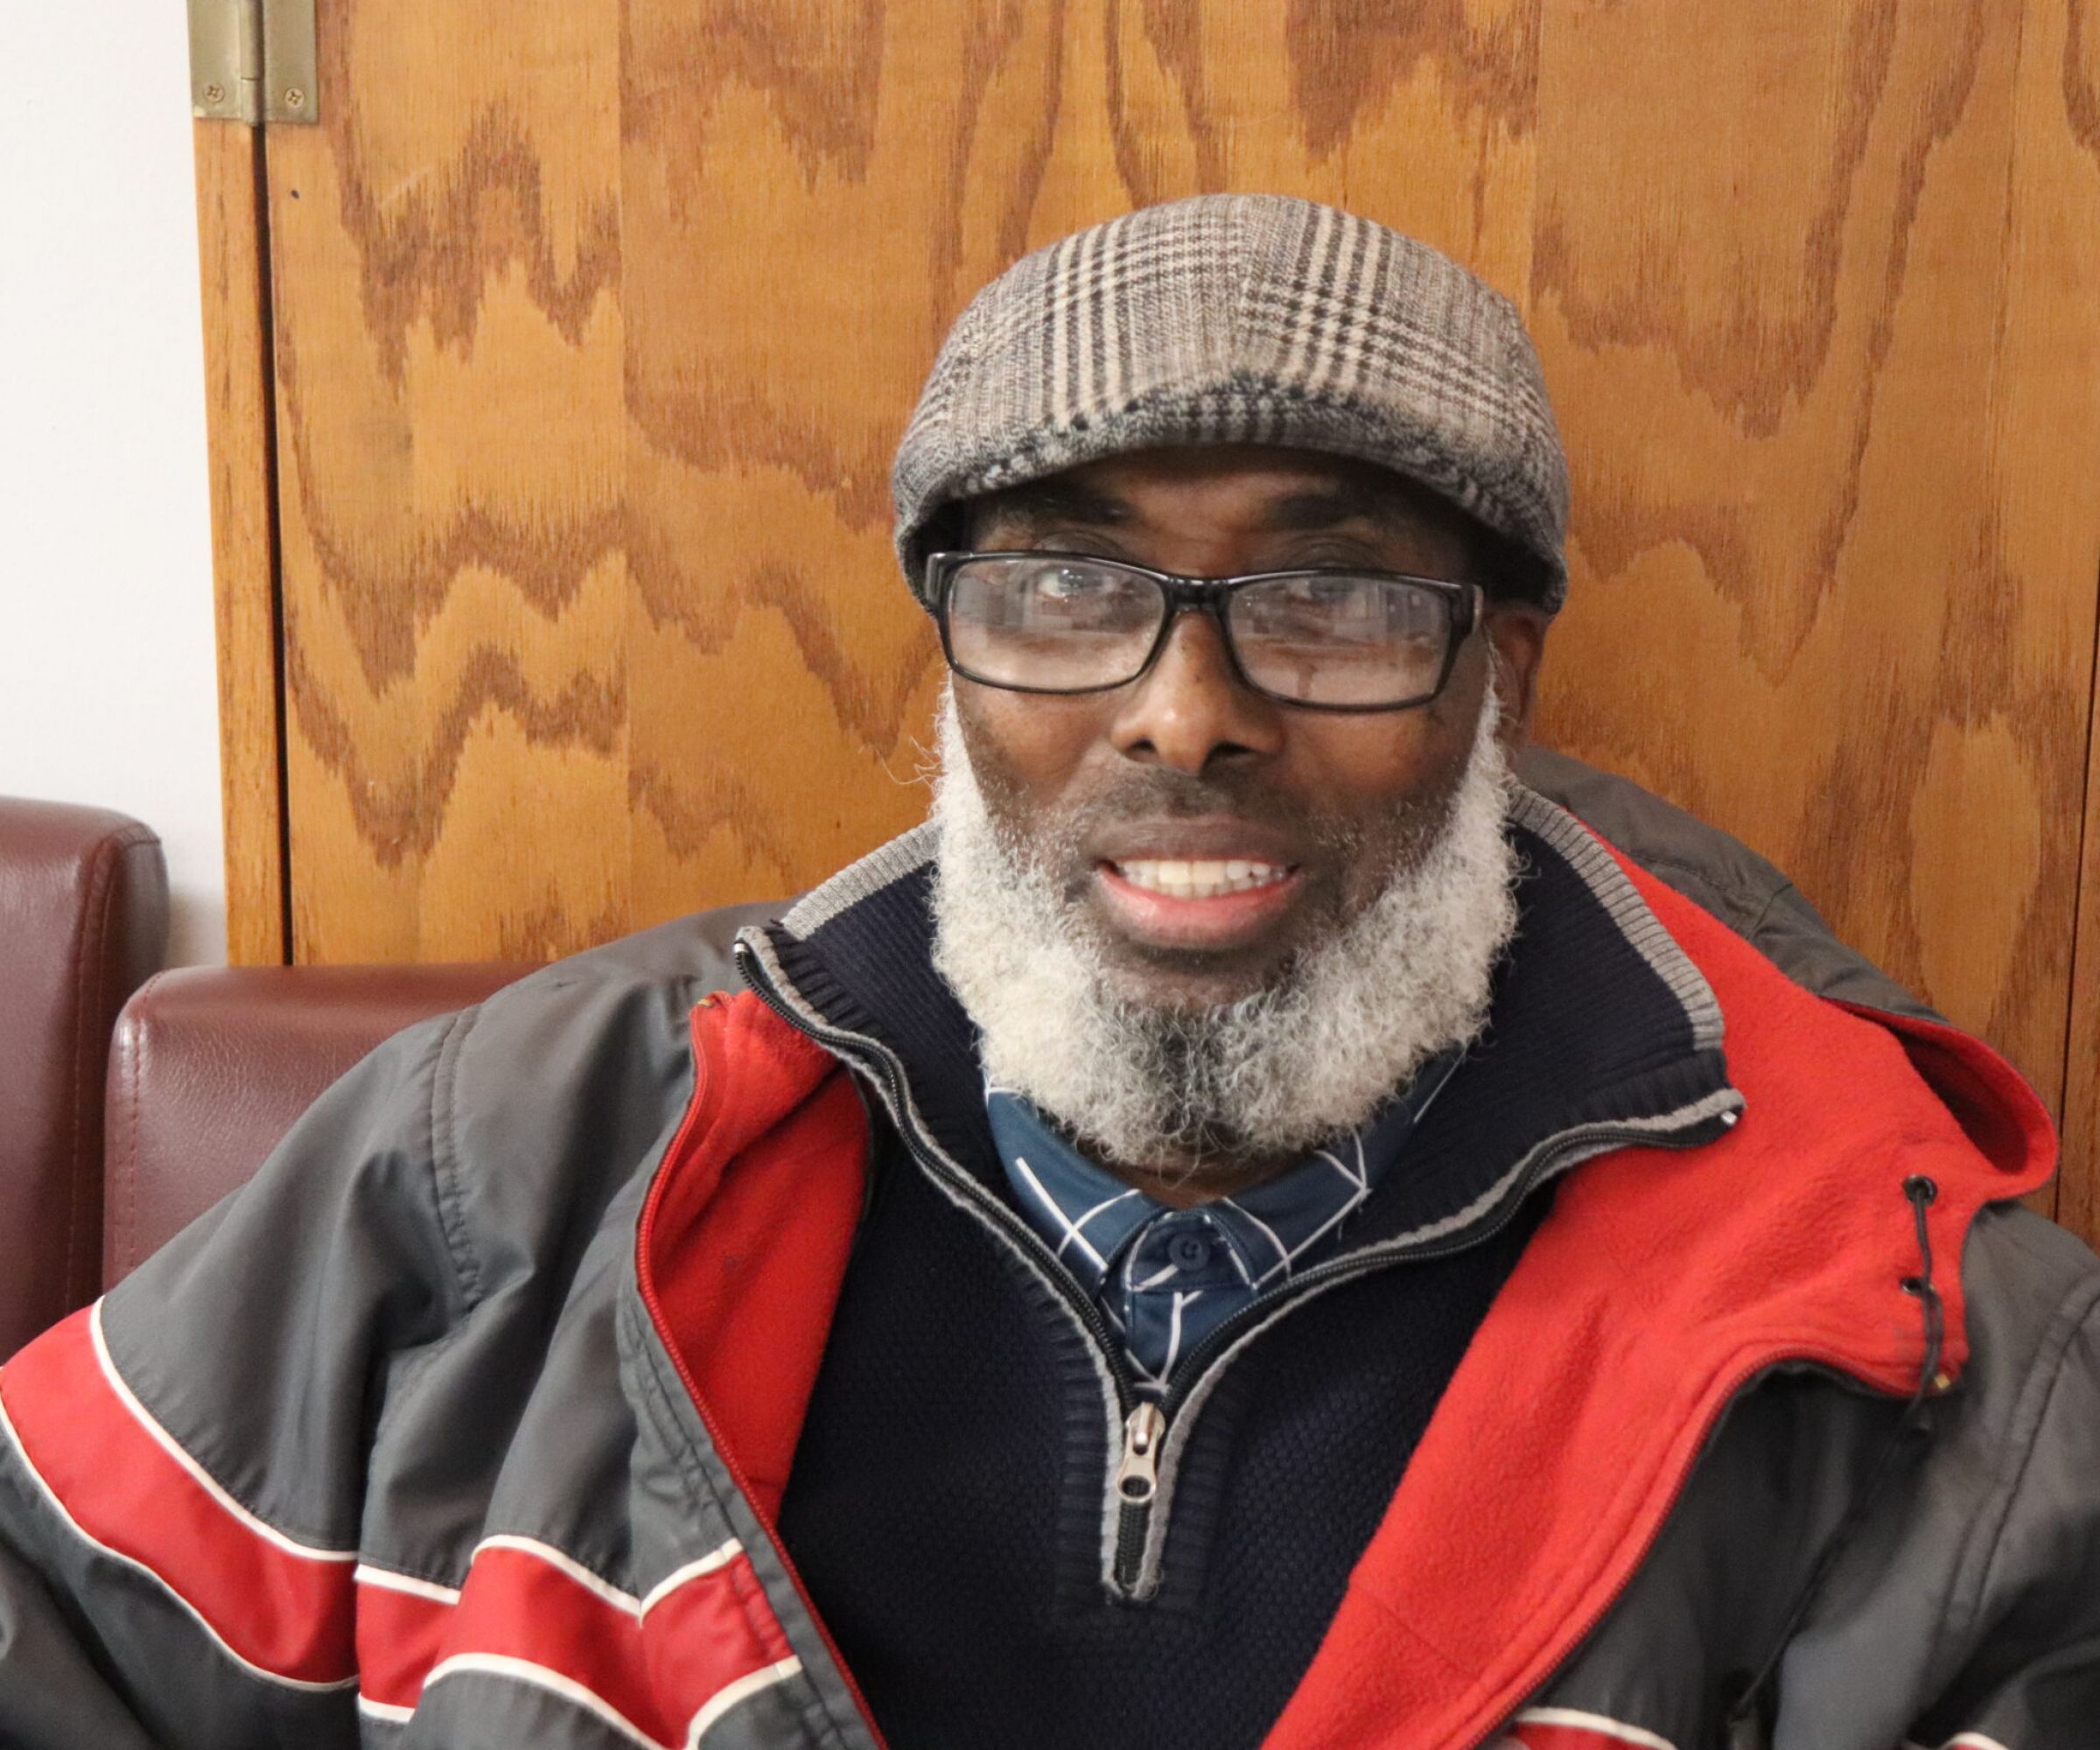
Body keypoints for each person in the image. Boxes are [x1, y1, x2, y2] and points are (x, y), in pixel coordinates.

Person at [1, 193, 2093, 1750]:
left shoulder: (1918, 1357)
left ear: (1500, 676)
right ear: (952, 655)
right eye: (1070, 582)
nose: (1185, 714)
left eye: (1336, 592)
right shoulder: (504, 1166)